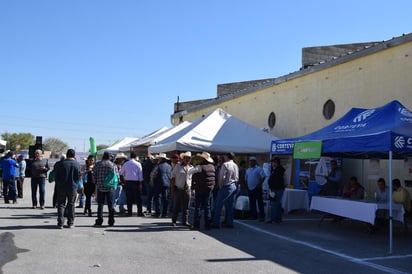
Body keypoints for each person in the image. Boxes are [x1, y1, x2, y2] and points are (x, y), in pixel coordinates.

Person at [54, 149, 81, 229]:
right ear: (74, 155)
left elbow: (57, 176)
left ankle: (60, 223)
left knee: (61, 205)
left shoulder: (61, 164)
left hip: (62, 187)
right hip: (72, 187)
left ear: (67, 154)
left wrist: (58, 184)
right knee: (71, 204)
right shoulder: (77, 164)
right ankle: (70, 223)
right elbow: (78, 177)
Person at [212, 152, 239, 229]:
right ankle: (230, 222)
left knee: (218, 205)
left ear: (227, 157)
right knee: (230, 206)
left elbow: (222, 177)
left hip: (226, 186)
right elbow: (237, 177)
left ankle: (216, 223)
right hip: (233, 185)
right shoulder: (235, 165)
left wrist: (220, 186)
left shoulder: (225, 164)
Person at [190, 152, 215, 230]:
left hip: (200, 188)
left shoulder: (200, 167)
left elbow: (190, 172)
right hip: (209, 189)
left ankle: (196, 225)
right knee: (207, 207)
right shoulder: (212, 167)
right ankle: (208, 224)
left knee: (198, 207)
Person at [93, 151, 118, 227]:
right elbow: (117, 176)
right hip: (110, 187)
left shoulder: (97, 164)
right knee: (111, 205)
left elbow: (94, 176)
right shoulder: (113, 165)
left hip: (100, 187)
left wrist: (96, 183)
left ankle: (99, 221)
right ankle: (111, 221)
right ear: (109, 157)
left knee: (100, 205)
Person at [171, 151, 193, 226]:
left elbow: (192, 180)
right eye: (186, 158)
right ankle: (174, 221)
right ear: (183, 158)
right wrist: (172, 188)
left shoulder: (191, 168)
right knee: (176, 206)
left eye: (189, 158)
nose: (188, 160)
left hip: (188, 189)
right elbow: (173, 177)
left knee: (186, 207)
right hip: (179, 188)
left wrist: (193, 189)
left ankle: (185, 221)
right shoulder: (178, 166)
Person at [119, 152, 144, 217]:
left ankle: (129, 212)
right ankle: (139, 212)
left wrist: (124, 180)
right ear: (136, 157)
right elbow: (140, 175)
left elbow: (121, 173)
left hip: (128, 182)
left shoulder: (125, 164)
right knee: (138, 198)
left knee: (129, 198)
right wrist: (141, 184)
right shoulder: (138, 164)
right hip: (136, 182)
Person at [245, 156, 266, 221]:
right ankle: (254, 215)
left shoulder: (259, 169)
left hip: (257, 188)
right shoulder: (248, 170)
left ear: (255, 162)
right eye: (250, 161)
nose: (251, 162)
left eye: (252, 161)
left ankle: (262, 216)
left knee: (260, 202)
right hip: (250, 188)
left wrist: (259, 184)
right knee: (252, 202)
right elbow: (246, 178)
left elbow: (263, 177)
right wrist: (247, 186)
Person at [153, 153, 172, 218]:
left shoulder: (158, 166)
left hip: (159, 183)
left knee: (158, 198)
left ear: (161, 159)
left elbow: (153, 175)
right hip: (167, 183)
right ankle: (165, 213)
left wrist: (153, 182)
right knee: (165, 199)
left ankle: (158, 212)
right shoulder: (169, 166)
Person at [268, 157, 285, 223]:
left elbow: (276, 181)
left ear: (276, 162)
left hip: (276, 189)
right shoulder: (276, 170)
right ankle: (277, 219)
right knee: (277, 204)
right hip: (277, 188)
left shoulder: (278, 170)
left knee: (274, 204)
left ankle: (274, 219)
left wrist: (273, 188)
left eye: (273, 162)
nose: (272, 164)